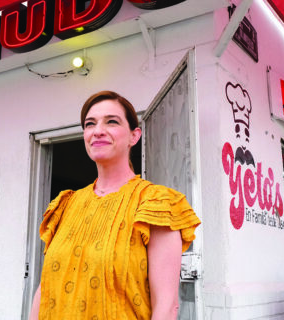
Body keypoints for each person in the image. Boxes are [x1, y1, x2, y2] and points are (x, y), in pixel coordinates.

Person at [29, 91, 201, 320]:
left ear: (134, 136)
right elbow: (45, 287)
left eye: (112, 121)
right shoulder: (65, 205)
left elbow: (167, 306)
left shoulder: (157, 203)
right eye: (90, 124)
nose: (98, 130)